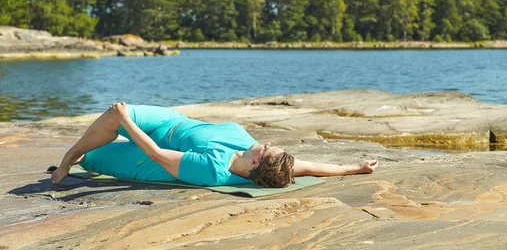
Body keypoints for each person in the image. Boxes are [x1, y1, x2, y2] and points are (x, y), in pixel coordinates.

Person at [51, 102, 379, 188]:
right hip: (169, 120)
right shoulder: (255, 156)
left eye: (266, 149)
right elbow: (309, 167)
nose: (265, 143)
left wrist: (126, 121)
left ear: (255, 165)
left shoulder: (213, 170)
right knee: (114, 114)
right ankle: (70, 154)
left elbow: (155, 153)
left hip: (148, 154)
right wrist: (353, 169)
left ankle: (73, 157)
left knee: (99, 143)